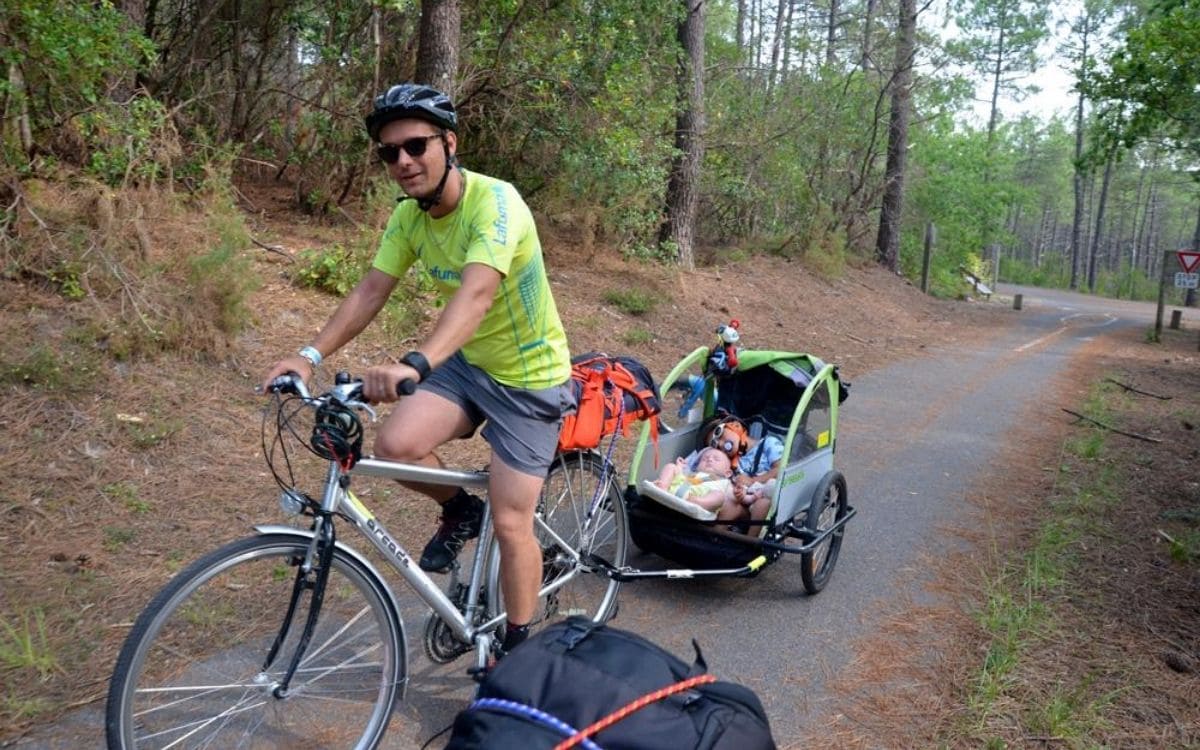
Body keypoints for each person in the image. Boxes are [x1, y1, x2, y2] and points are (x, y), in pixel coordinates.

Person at [260, 82, 572, 656]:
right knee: (395, 444)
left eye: (416, 146)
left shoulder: (497, 203)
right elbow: (372, 290)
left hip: (530, 380)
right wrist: (308, 355)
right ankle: (458, 512)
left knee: (511, 523)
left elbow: (477, 296)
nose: (403, 161)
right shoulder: (409, 218)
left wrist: (414, 364)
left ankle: (518, 650)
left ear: (448, 143)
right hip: (469, 366)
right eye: (389, 153)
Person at [652, 447, 739, 518]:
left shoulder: (725, 482)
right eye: (705, 459)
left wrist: (741, 494)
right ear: (697, 466)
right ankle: (662, 486)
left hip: (701, 495)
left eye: (716, 459)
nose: (709, 460)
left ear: (728, 473)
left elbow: (733, 498)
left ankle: (701, 502)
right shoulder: (693, 473)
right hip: (677, 488)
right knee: (671, 466)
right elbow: (680, 475)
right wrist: (679, 467)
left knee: (720, 496)